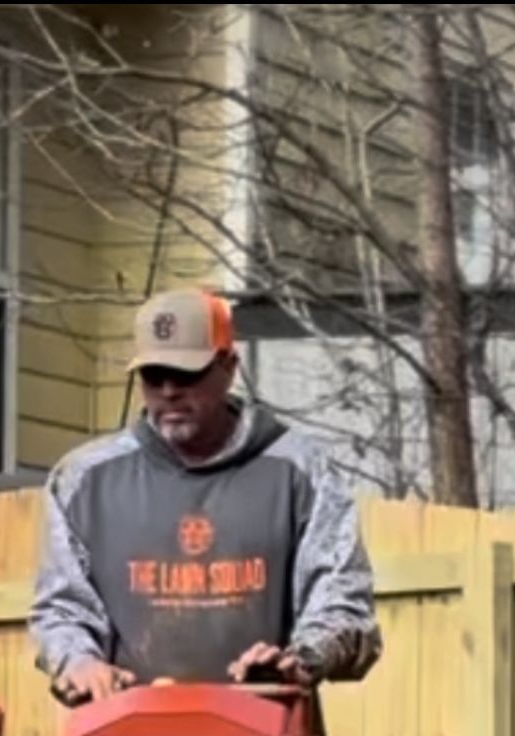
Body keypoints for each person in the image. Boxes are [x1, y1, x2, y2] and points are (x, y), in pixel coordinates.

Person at [28, 286, 382, 706]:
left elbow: (344, 605)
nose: (169, 391)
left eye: (186, 374)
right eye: (153, 376)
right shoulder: (83, 481)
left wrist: (298, 660)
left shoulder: (301, 473)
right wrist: (78, 661)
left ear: (228, 367)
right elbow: (61, 608)